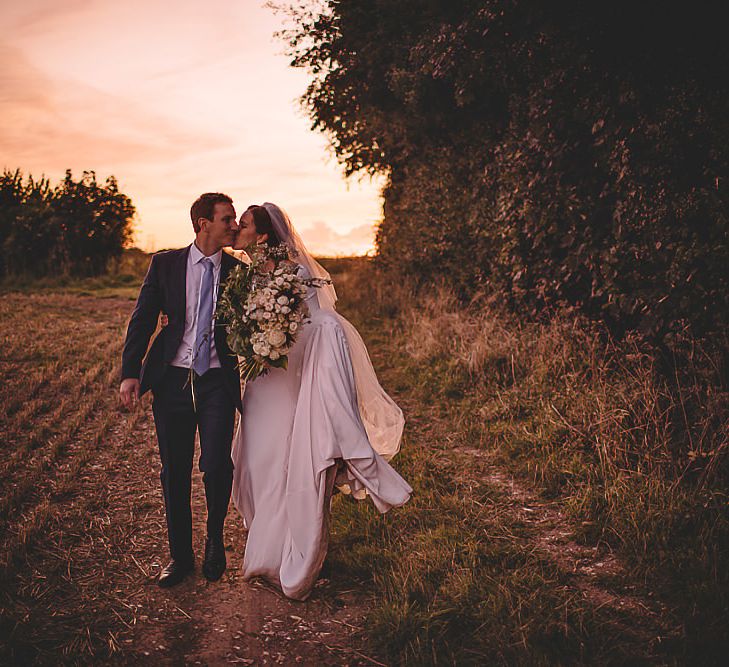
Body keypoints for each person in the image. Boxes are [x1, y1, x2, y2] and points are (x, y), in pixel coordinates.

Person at [230, 202, 412, 600]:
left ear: (261, 235)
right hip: (261, 383)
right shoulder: (241, 275)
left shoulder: (293, 273)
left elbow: (321, 323)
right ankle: (265, 543)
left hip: (288, 380)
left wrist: (276, 340)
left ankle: (289, 555)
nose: (236, 230)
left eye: (242, 225)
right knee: (255, 460)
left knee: (285, 462)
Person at [119, 192, 243, 587]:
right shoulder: (166, 264)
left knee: (217, 465)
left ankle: (215, 540)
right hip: (172, 380)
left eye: (235, 218)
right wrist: (130, 371)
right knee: (174, 470)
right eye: (227, 219)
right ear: (203, 223)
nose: (234, 225)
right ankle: (180, 556)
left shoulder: (239, 273)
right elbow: (142, 320)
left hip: (216, 382)